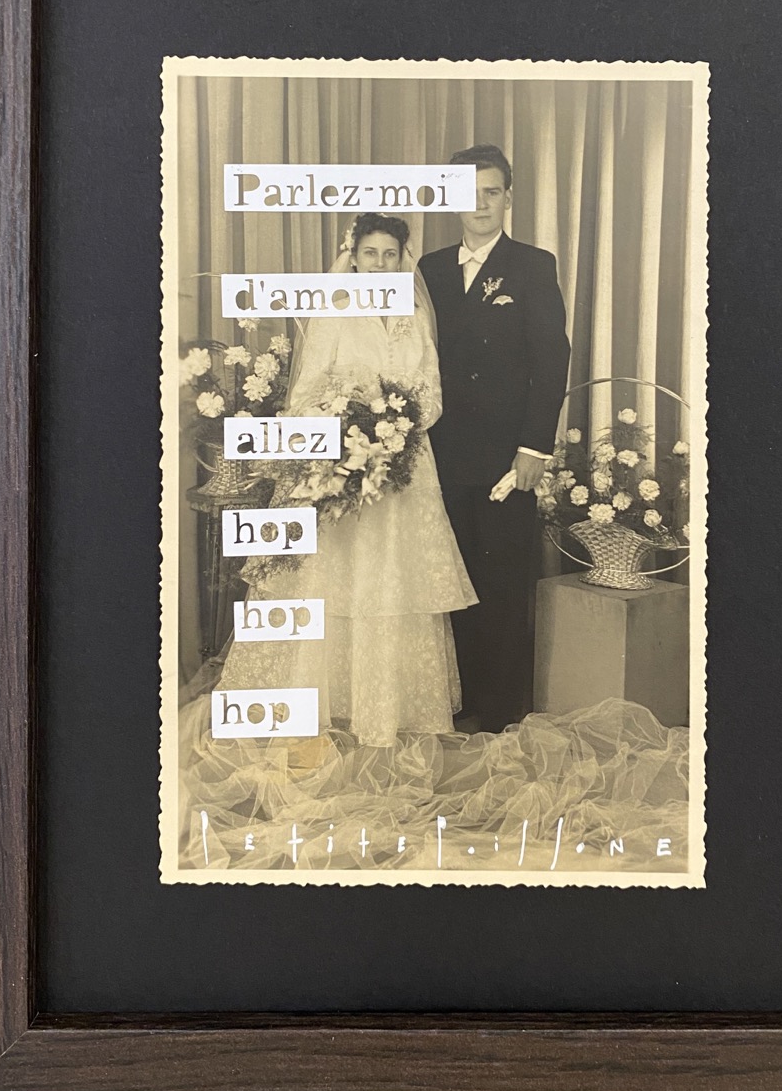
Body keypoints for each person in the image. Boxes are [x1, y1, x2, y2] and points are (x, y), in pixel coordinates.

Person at [215, 212, 477, 749]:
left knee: (393, 580)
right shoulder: (333, 311)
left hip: (405, 470)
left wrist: (396, 428)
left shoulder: (414, 317)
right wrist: (345, 437)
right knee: (334, 580)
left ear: (402, 261)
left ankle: (385, 709)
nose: (380, 264)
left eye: (390, 255)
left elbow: (432, 393)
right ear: (353, 257)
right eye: (370, 254)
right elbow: (305, 395)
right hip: (338, 474)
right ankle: (324, 702)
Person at [419, 144, 570, 733]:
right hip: (439, 452)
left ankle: (502, 710)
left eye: (491, 192)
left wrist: (534, 448)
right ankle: (457, 702)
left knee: (502, 581)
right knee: (448, 577)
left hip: (507, 456)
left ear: (509, 197)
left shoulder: (532, 265)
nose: (480, 204)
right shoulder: (429, 268)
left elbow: (551, 359)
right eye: (468, 193)